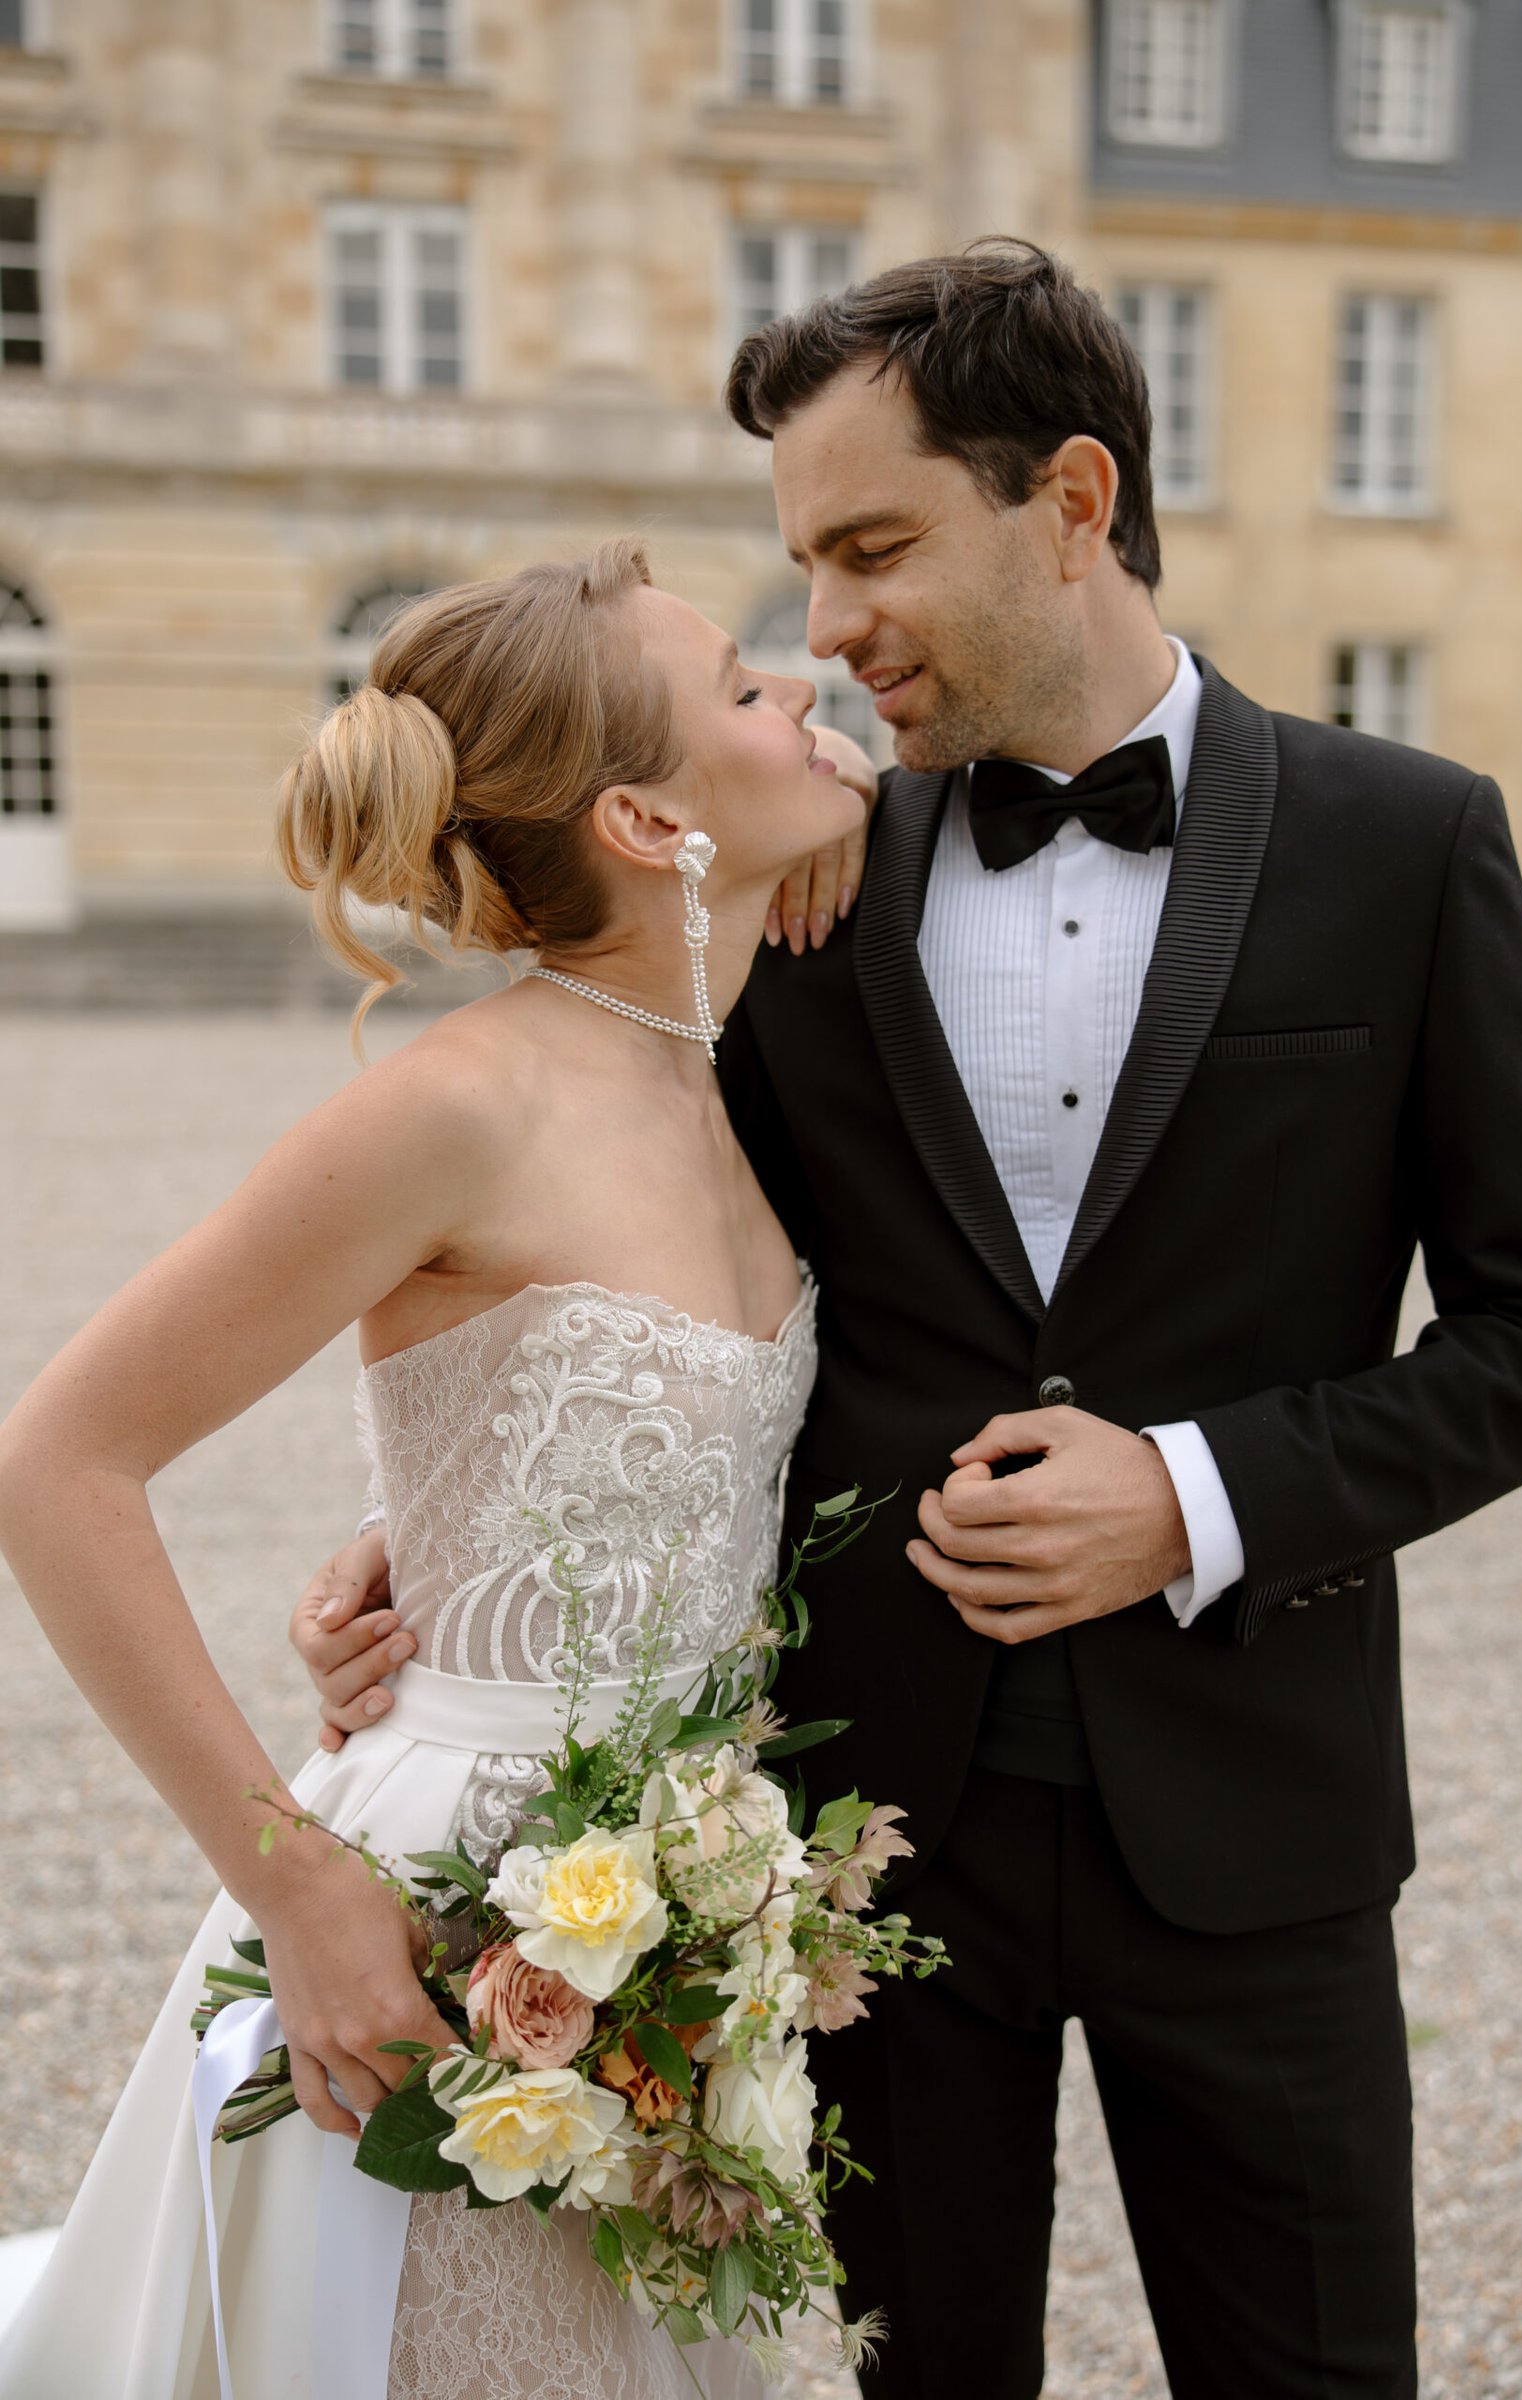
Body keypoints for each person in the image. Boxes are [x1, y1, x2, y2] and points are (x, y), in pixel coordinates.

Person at [296, 244, 1522, 2400]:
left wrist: (1195, 1495)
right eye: (802, 563)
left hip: (1256, 1819)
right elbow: (675, 1273)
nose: (826, 625)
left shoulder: (1405, 842)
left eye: (874, 547)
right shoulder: (789, 871)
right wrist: (462, 1526)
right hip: (849, 1840)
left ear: (1070, 499)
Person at [0, 540, 876, 2400]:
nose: (801, 687)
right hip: (439, 1927)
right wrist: (303, 1890)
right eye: (745, 682)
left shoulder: (701, 1066)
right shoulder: (456, 1102)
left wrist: (444, 1529)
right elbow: (57, 1458)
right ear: (646, 818)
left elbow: (598, 1428)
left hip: (679, 1921)